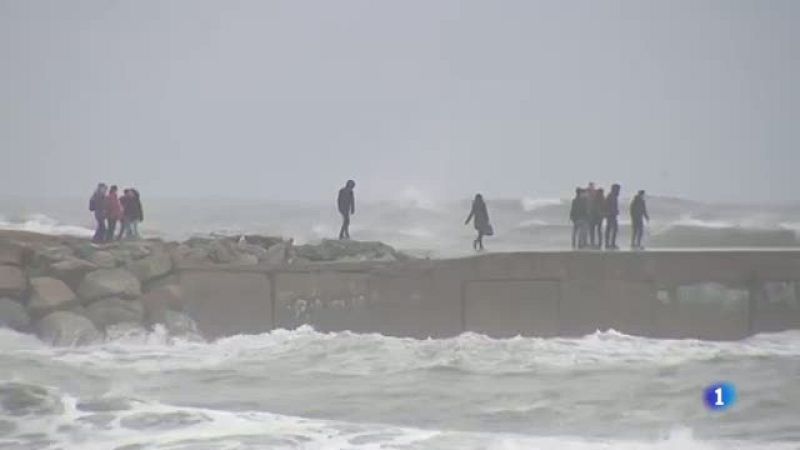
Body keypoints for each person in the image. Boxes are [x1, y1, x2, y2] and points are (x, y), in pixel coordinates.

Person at [604, 184, 621, 249]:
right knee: (612, 229)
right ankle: (610, 243)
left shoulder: (613, 196)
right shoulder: (611, 196)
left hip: (612, 215)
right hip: (611, 215)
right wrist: (612, 211)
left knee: (611, 229)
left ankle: (609, 243)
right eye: (618, 189)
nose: (619, 191)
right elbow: (607, 206)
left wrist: (616, 211)